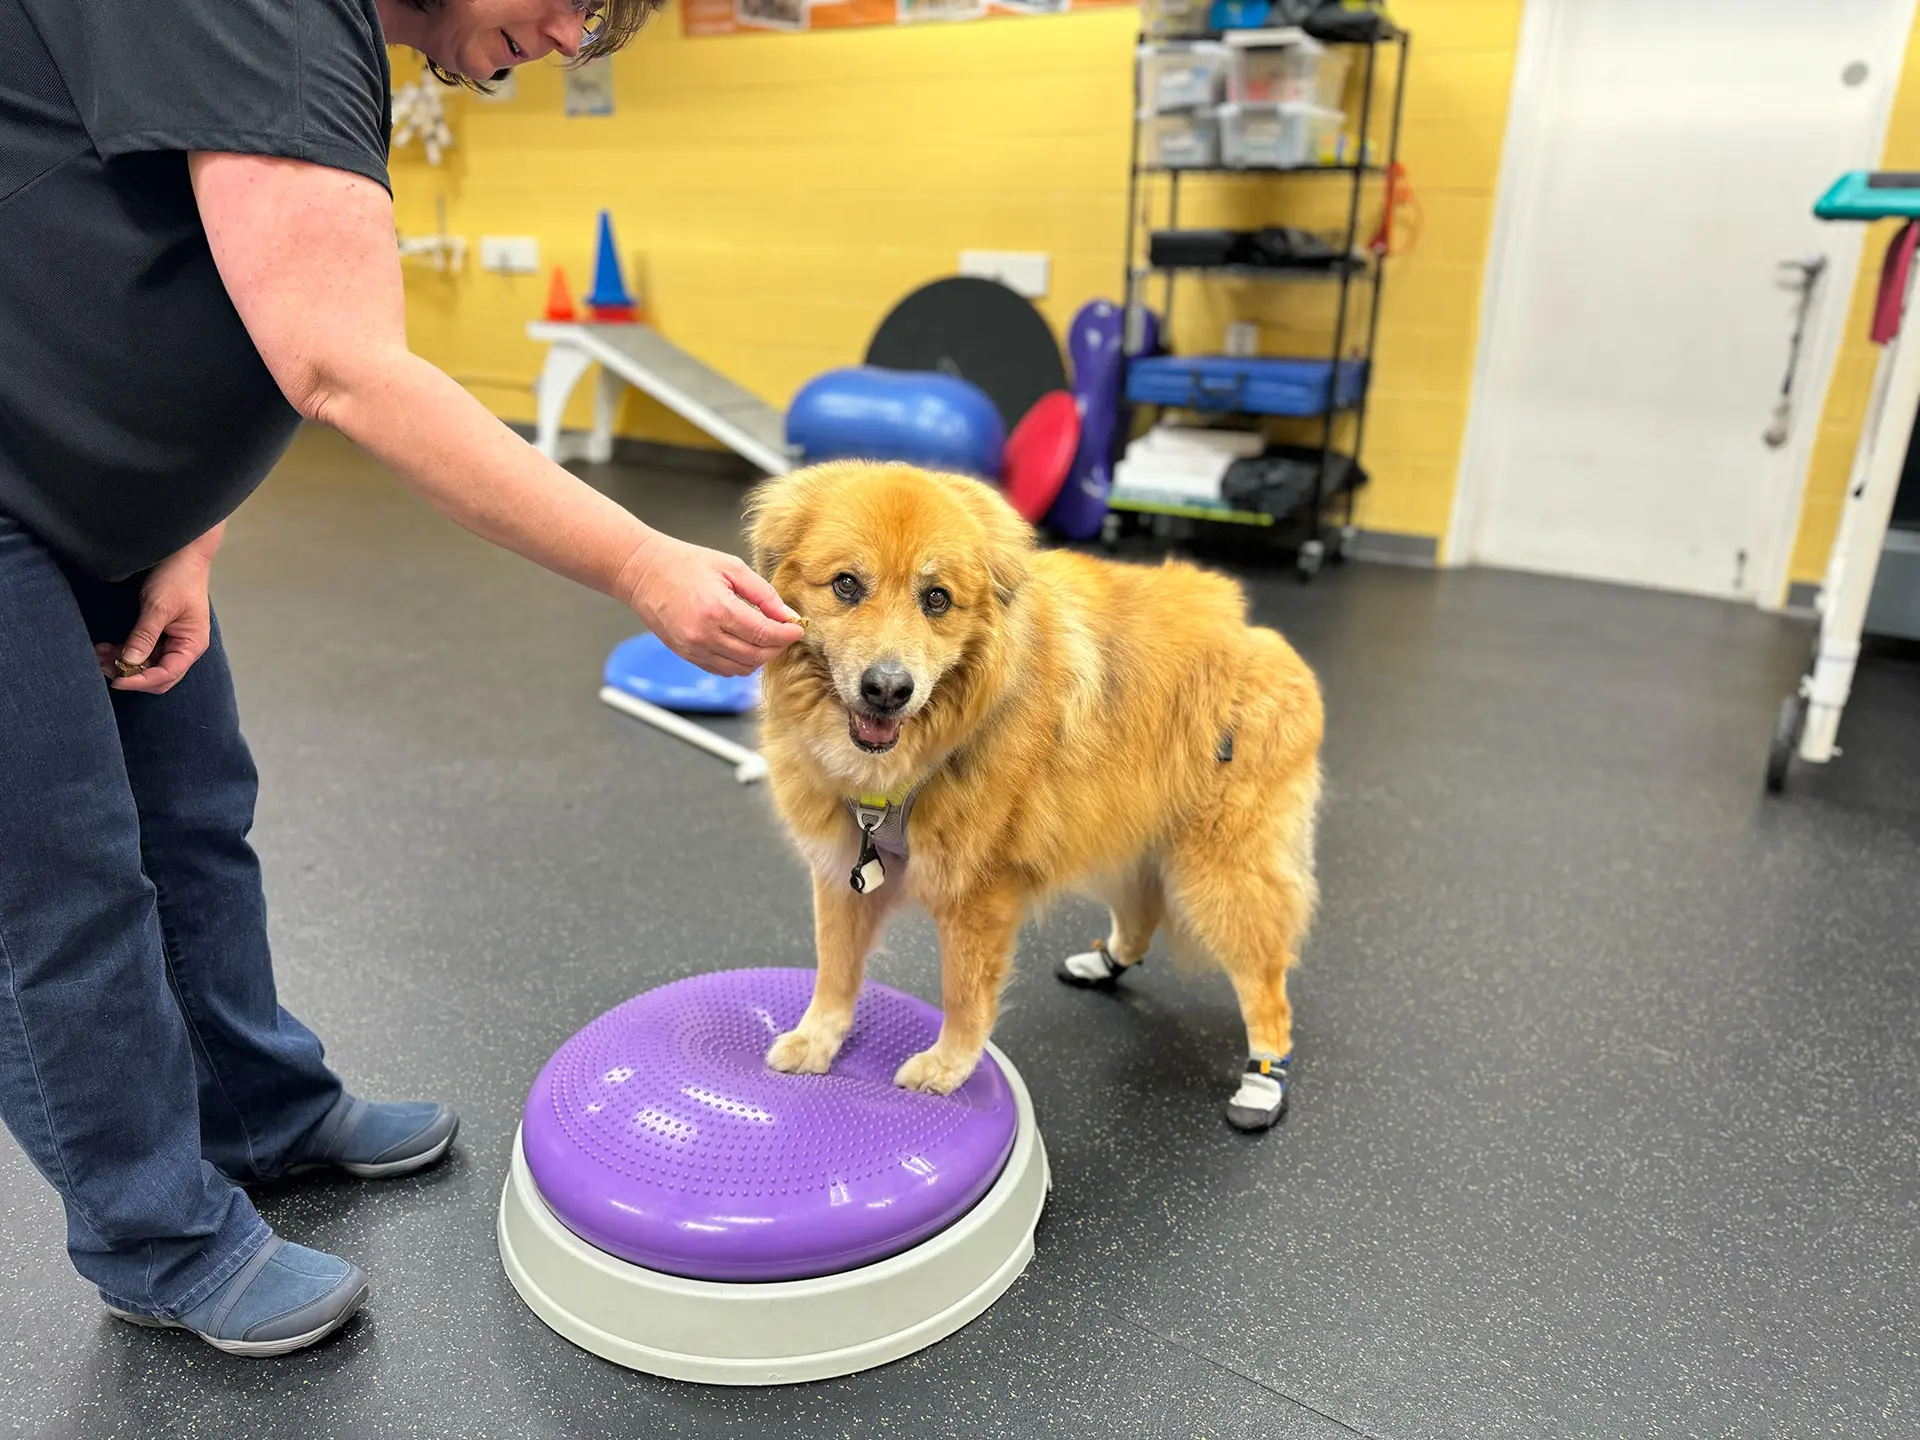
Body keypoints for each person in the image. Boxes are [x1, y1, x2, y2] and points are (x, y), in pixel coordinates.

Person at [0, 0, 800, 1357]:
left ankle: (259, 1110)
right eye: (575, 3)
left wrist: (182, 529)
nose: (566, 42)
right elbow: (338, 363)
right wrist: (642, 565)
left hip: (91, 493)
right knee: (58, 883)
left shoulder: (324, 39)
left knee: (194, 813)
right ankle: (158, 1238)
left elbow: (218, 287)